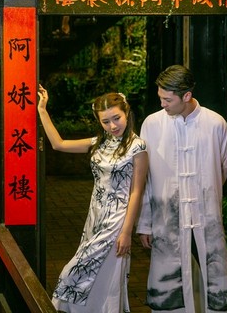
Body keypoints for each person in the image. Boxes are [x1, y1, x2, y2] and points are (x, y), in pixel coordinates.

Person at [37, 84, 148, 313]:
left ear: (127, 112)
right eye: (105, 121)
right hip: (95, 216)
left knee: (77, 271)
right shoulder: (100, 141)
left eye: (116, 118)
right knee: (100, 274)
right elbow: (58, 144)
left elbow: (136, 191)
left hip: (117, 220)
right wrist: (42, 111)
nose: (112, 126)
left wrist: (127, 232)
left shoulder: (137, 146)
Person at [137, 65, 227, 313]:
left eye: (168, 100)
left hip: (206, 216)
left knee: (212, 275)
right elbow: (145, 178)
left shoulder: (215, 123)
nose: (163, 105)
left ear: (187, 96)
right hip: (167, 218)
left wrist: (203, 193)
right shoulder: (152, 124)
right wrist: (145, 223)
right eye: (160, 98)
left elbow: (223, 167)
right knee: (168, 282)